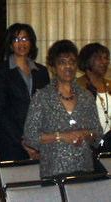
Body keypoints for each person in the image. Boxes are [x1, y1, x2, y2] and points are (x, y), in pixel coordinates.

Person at [24, 40, 102, 179]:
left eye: (72, 62)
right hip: (53, 171)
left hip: (84, 169)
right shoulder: (42, 97)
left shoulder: (86, 96)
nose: (68, 66)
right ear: (53, 68)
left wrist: (85, 134)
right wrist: (60, 136)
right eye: (62, 62)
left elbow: (97, 133)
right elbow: (30, 137)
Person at [0, 23, 50, 161]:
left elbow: (47, 107)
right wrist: (23, 141)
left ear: (31, 42)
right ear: (10, 44)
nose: (21, 43)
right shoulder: (1, 71)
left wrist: (37, 140)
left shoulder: (41, 72)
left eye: (25, 39)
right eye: (16, 40)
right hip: (11, 142)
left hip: (39, 142)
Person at [77, 43, 111, 153]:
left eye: (106, 58)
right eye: (99, 58)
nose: (104, 62)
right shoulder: (78, 86)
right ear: (87, 60)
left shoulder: (110, 84)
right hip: (90, 144)